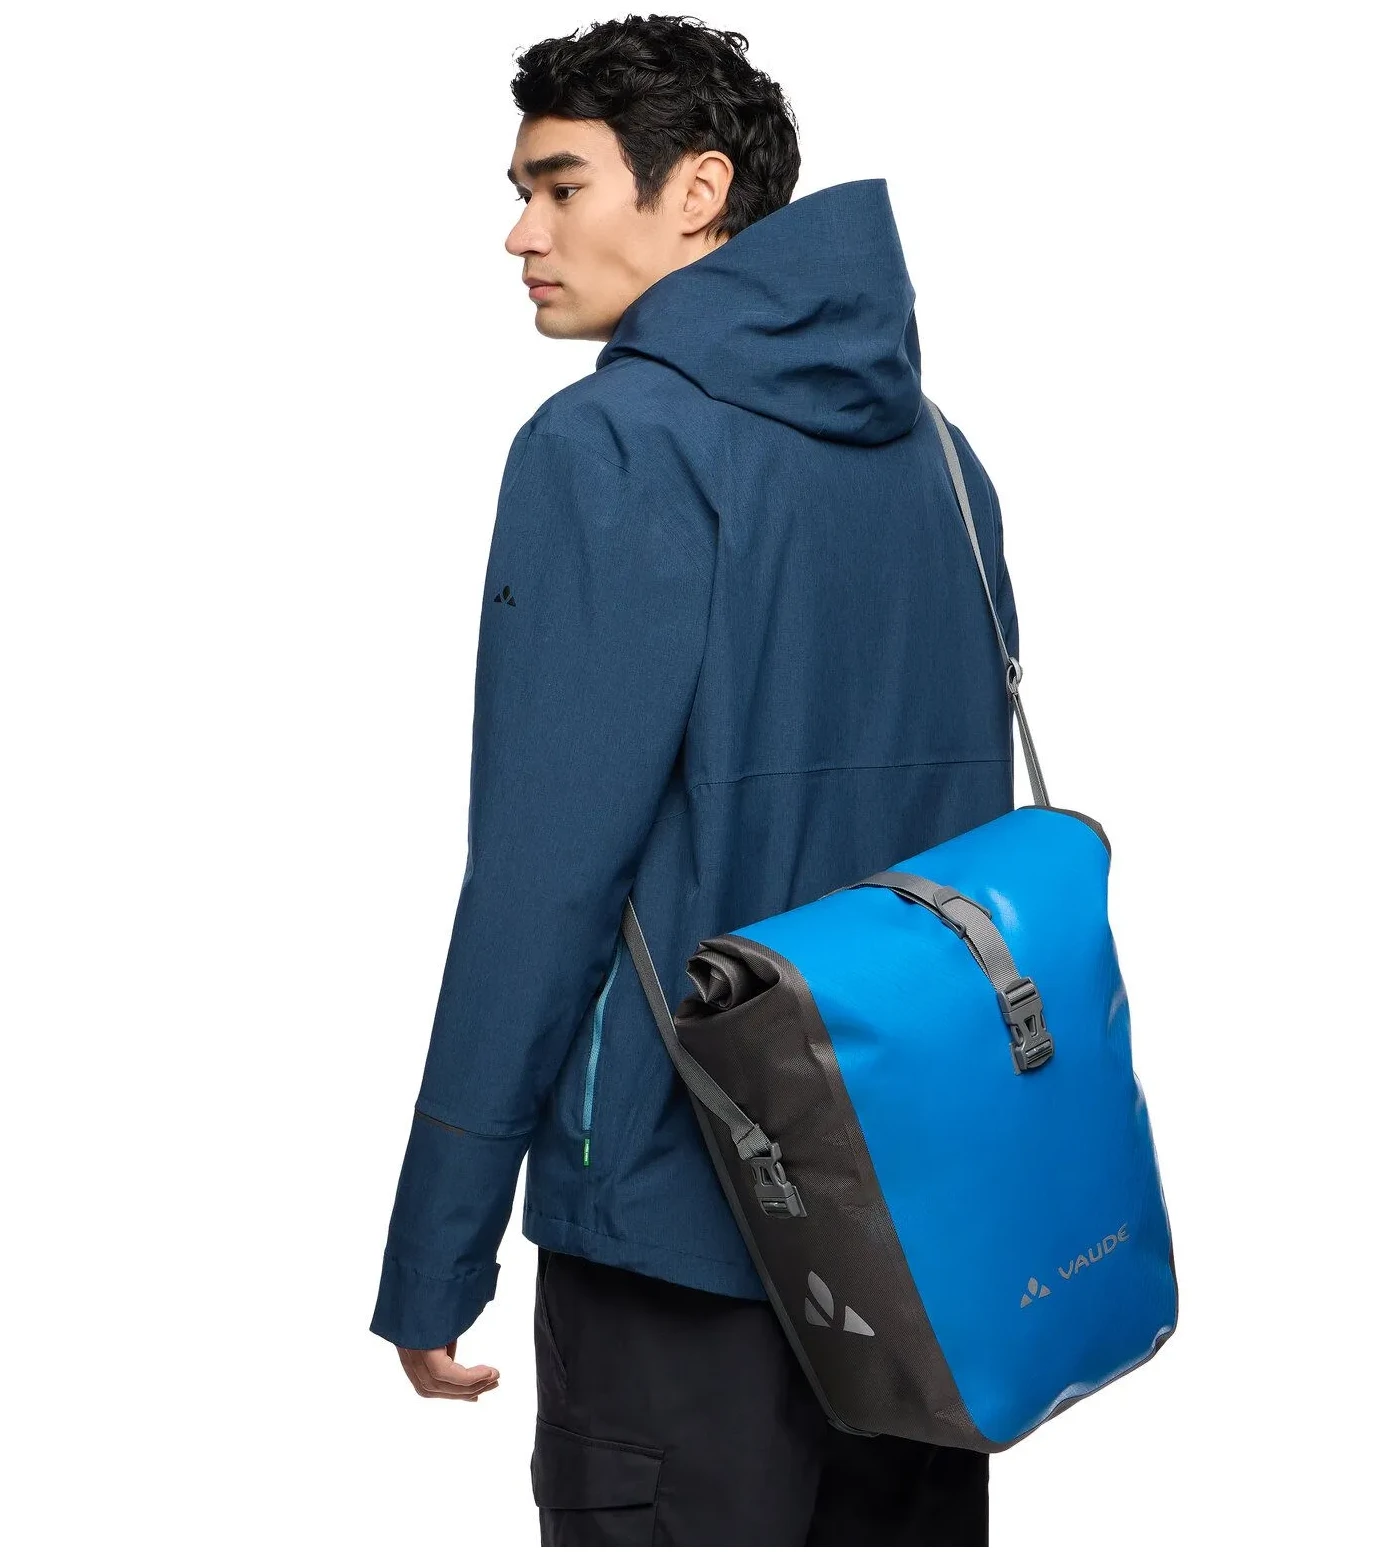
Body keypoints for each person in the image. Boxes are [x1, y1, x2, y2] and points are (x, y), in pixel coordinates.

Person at [370, 14, 1020, 1546]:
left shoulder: (611, 447)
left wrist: (438, 1244)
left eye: (560, 187)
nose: (521, 235)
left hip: (678, 1214)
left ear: (697, 190)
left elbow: (542, 876)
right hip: (919, 1227)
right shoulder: (941, 456)